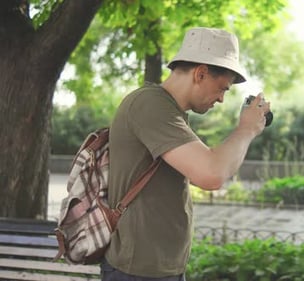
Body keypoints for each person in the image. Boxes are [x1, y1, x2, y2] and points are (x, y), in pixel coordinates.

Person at [101, 27, 270, 280]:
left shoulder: (170, 111)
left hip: (157, 268)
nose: (222, 99)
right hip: (137, 270)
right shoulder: (150, 105)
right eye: (222, 88)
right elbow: (211, 175)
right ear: (201, 73)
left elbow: (207, 165)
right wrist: (246, 129)